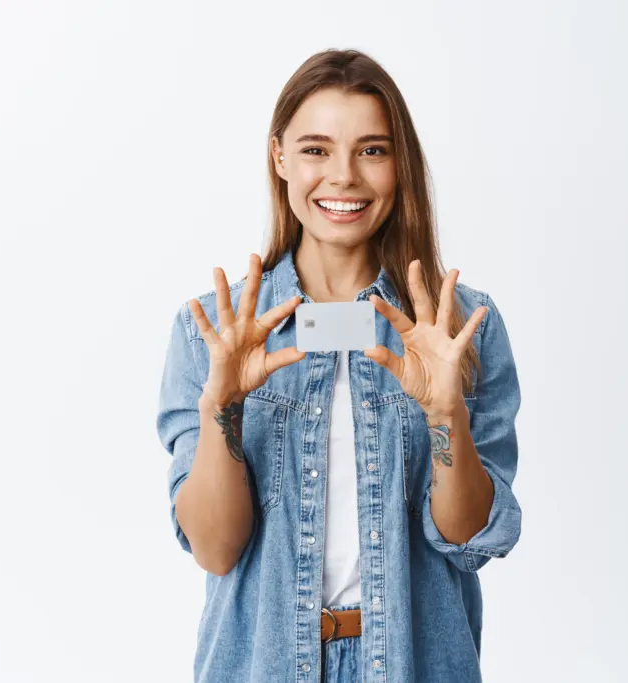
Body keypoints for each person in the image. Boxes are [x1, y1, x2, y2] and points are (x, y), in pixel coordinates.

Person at [156, 48, 522, 683]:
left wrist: (445, 412)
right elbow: (215, 550)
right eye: (316, 150)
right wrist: (223, 408)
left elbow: (469, 541)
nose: (344, 176)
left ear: (399, 164)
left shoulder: (457, 326)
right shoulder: (211, 334)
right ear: (280, 158)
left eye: (372, 150)